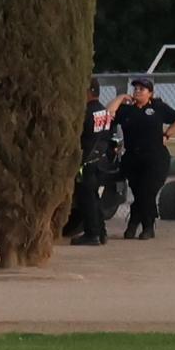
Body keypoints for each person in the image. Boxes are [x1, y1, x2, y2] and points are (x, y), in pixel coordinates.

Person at [115, 77, 175, 239]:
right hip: (133, 159)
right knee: (139, 193)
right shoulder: (127, 110)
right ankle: (135, 224)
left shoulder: (158, 107)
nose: (137, 91)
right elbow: (109, 114)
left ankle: (146, 227)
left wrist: (167, 134)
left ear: (150, 93)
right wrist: (120, 98)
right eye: (135, 88)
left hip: (155, 158)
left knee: (147, 192)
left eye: (141, 89)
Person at [67, 81, 113, 246]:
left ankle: (92, 234)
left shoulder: (86, 112)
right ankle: (101, 232)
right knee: (94, 198)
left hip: (87, 162)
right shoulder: (103, 111)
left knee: (87, 199)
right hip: (100, 160)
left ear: (89, 92)